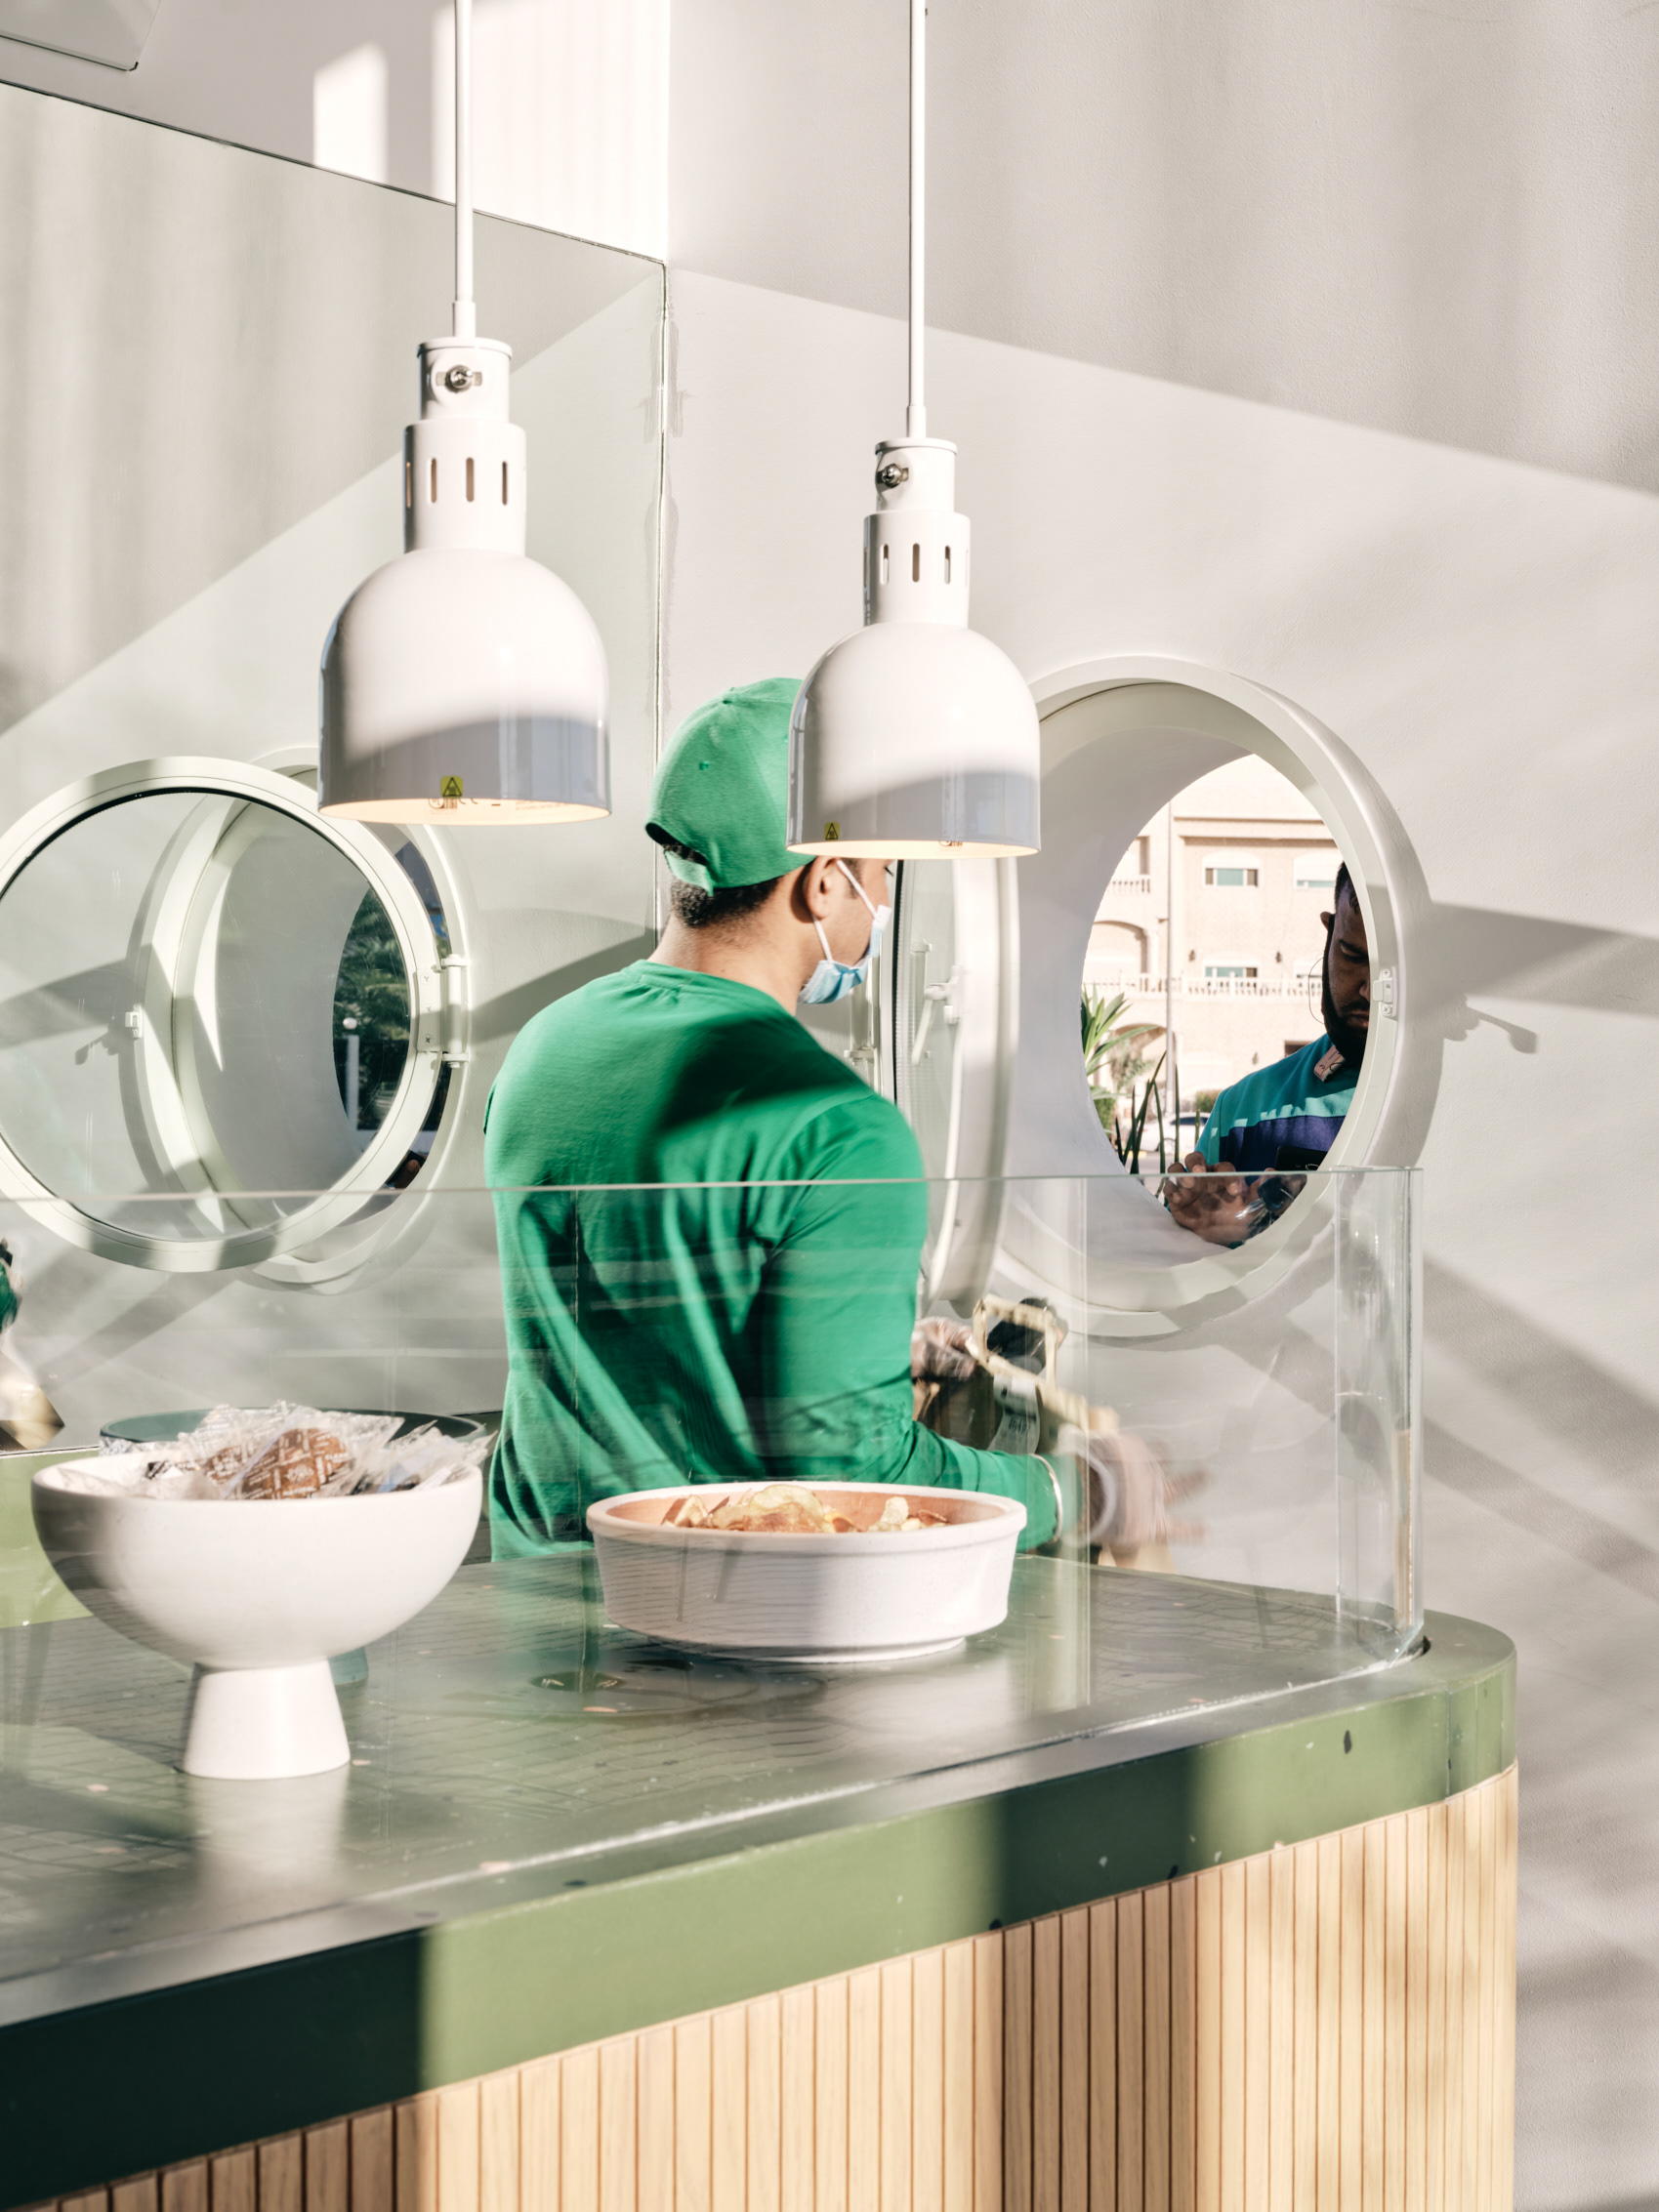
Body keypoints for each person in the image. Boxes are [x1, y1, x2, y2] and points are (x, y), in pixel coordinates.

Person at [483, 678, 1194, 1557]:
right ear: (823, 882)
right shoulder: (835, 1126)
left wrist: (868, 1350)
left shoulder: (545, 1047)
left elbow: (640, 1325)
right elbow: (856, 1475)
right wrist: (1079, 1490)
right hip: (707, 1605)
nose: (884, 903)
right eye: (883, 873)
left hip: (530, 1588)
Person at [1166, 861, 1369, 1248]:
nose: (1370, 990)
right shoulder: (1242, 1110)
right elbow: (1184, 1271)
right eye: (1353, 955)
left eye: (1393, 968)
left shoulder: (1471, 1105)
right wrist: (1218, 1236)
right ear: (1329, 936)